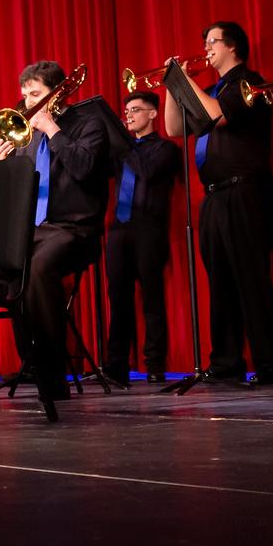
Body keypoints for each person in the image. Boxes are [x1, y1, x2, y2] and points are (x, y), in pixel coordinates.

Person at [161, 21, 273, 388]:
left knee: (252, 280)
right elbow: (173, 128)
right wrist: (173, 87)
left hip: (245, 192)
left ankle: (271, 366)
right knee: (220, 284)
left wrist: (185, 85)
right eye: (204, 42)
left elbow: (218, 115)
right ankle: (226, 363)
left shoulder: (248, 82)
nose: (205, 49)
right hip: (215, 196)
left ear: (233, 47)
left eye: (212, 42)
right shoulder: (211, 90)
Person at [0, 60, 110, 399]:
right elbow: (16, 195)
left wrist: (54, 130)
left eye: (36, 94)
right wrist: (3, 166)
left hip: (76, 229)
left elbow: (84, 168)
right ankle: (33, 360)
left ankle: (53, 373)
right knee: (5, 263)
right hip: (36, 230)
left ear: (56, 94)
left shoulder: (89, 125)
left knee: (37, 268)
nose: (28, 104)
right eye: (25, 96)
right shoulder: (28, 135)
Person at [104, 89, 180, 385]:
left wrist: (123, 146)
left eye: (136, 110)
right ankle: (116, 364)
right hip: (118, 229)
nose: (129, 116)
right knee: (118, 299)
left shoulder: (165, 149)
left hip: (148, 230)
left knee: (152, 299)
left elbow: (146, 172)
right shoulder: (122, 151)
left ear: (152, 114)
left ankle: (154, 364)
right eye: (128, 111)